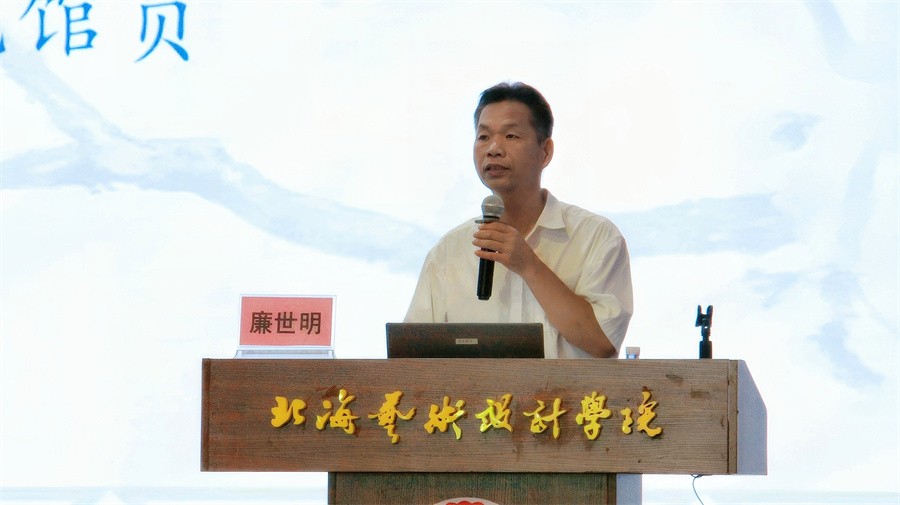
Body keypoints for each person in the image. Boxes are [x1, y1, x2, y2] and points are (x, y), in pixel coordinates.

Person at [404, 82, 633, 358]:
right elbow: (410, 356)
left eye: (510, 135)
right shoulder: (448, 253)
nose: (493, 149)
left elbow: (603, 342)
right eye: (483, 137)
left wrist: (529, 266)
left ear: (545, 151)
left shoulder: (597, 238)